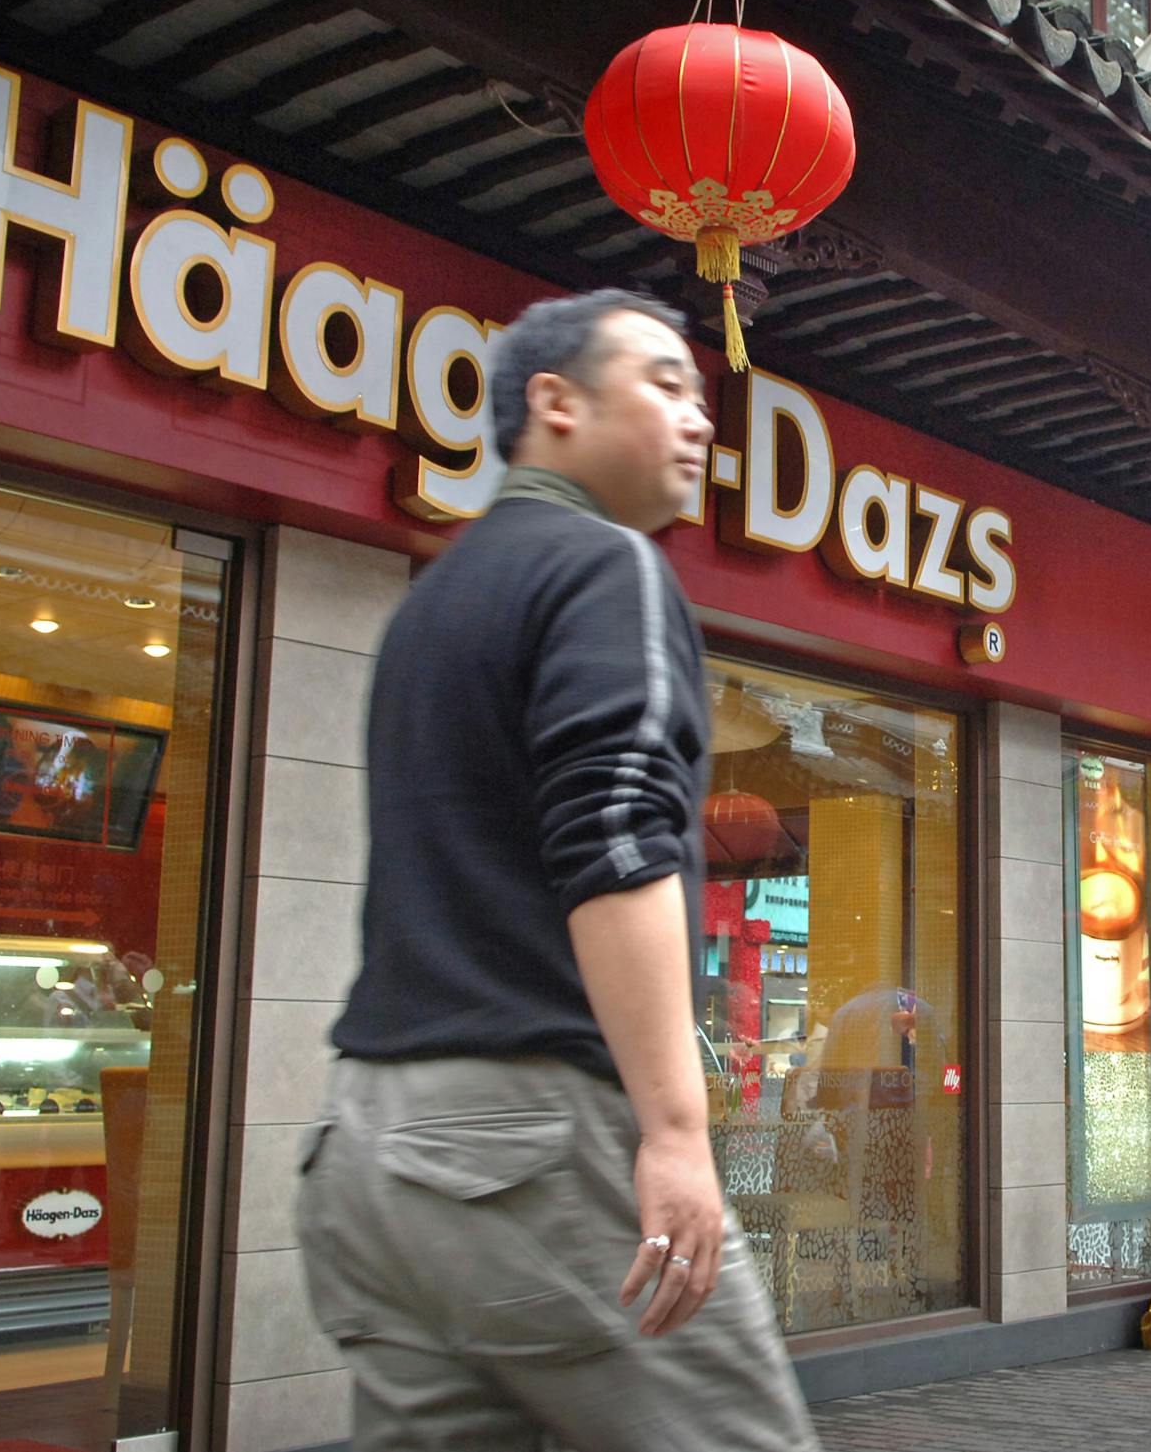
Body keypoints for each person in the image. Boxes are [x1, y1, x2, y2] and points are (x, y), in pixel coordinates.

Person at [299, 290, 821, 1450]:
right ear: (556, 403)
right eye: (665, 383)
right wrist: (675, 1131)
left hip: (365, 1151)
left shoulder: (433, 602)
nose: (700, 419)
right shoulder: (605, 567)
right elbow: (616, 835)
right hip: (527, 1148)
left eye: (700, 395)